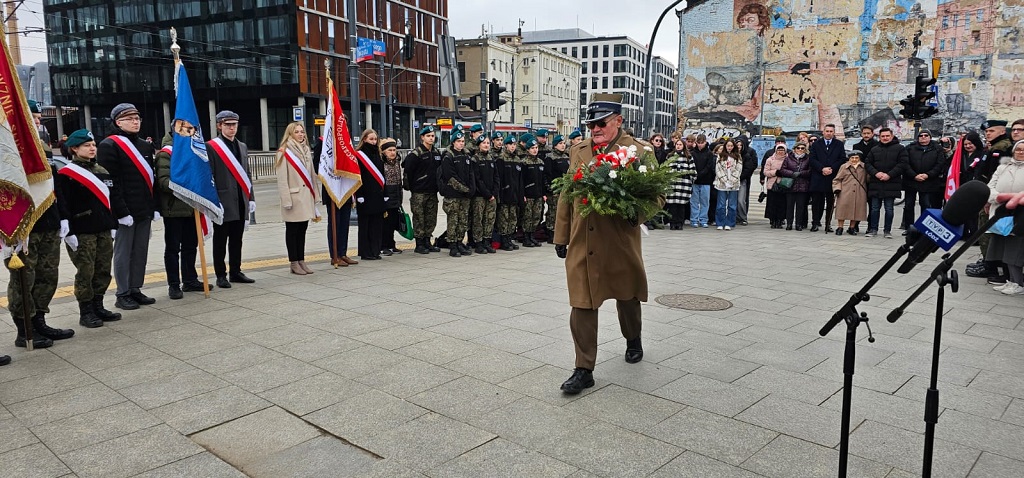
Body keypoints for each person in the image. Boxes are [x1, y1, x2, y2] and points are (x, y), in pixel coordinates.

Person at [553, 93, 655, 394]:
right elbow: (567, 194)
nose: (595, 130)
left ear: (619, 121)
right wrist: (561, 235)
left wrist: (633, 213)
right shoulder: (579, 151)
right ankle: (583, 369)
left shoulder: (638, 151)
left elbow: (655, 195)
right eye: (591, 124)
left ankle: (633, 337)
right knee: (581, 303)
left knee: (627, 296)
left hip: (619, 239)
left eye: (601, 123)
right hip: (583, 238)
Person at [56, 129, 120, 329]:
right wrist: (69, 230)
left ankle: (98, 305)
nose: (92, 148)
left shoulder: (102, 171)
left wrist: (113, 223)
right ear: (74, 149)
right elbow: (63, 203)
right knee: (86, 270)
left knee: (103, 269)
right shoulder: (67, 174)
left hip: (103, 228)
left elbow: (111, 200)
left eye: (93, 145)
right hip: (82, 230)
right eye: (87, 145)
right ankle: (86, 311)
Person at [97, 103, 159, 310]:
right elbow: (110, 183)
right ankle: (122, 292)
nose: (135, 122)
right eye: (130, 119)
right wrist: (121, 212)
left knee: (140, 251)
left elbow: (152, 179)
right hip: (125, 212)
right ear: (118, 122)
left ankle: (135, 288)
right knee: (123, 253)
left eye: (137, 118)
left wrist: (154, 206)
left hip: (143, 209)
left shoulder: (144, 145)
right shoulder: (109, 145)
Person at [155, 132, 209, 300]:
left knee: (190, 246)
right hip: (174, 209)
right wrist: (185, 184)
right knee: (172, 249)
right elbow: (163, 181)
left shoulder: (192, 151)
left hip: (191, 208)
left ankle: (190, 280)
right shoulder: (166, 153)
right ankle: (174, 285)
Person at [207, 110, 256, 288]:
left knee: (237, 238)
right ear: (219, 126)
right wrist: (213, 201)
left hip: (240, 200)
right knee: (220, 240)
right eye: (227, 125)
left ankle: (236, 271)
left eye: (234, 124)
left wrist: (250, 197)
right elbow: (209, 176)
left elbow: (247, 173)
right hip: (222, 200)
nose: (232, 128)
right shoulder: (212, 147)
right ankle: (221, 275)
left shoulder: (242, 146)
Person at [275, 122, 321, 274]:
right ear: (290, 134)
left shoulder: (306, 150)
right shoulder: (284, 151)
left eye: (302, 132)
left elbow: (312, 175)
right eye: (297, 132)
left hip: (306, 197)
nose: (301, 134)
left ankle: (301, 260)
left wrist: (315, 195)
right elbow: (282, 179)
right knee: (292, 231)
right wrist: (286, 200)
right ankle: (293, 262)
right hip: (294, 198)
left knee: (302, 230)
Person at [986, 140, 1024, 295]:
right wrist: (1000, 197)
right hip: (1001, 212)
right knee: (1002, 248)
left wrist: (1016, 199)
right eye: (1018, 149)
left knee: (1015, 250)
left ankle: (1018, 283)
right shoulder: (1002, 168)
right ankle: (1010, 280)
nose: (1021, 152)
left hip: (1020, 215)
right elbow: (990, 187)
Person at [404, 126, 443, 254]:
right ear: (422, 138)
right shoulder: (416, 154)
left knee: (431, 218)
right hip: (419, 192)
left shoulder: (436, 153)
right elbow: (408, 171)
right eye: (428, 136)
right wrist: (412, 187)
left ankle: (427, 240)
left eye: (432, 136)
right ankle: (419, 243)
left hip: (432, 191)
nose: (431, 138)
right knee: (419, 218)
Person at [863, 127, 907, 238]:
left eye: (887, 136)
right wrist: (876, 173)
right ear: (879, 137)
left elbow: (903, 164)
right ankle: (873, 229)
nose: (885, 138)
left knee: (889, 208)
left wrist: (889, 175)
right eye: (883, 136)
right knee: (874, 208)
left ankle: (887, 231)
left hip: (891, 183)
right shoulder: (874, 149)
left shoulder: (900, 149)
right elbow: (868, 163)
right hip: (876, 183)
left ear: (891, 136)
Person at [901, 129, 947, 235]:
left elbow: (939, 164)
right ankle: (908, 227)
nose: (923, 137)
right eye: (921, 135)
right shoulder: (910, 148)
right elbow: (905, 163)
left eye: (926, 135)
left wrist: (928, 175)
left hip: (929, 182)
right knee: (908, 205)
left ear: (930, 137)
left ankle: (923, 228)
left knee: (926, 205)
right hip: (911, 181)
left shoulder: (937, 149)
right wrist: (914, 175)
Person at [439, 129, 476, 256]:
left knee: (463, 220)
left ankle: (460, 242)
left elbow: (471, 173)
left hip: (465, 195)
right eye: (458, 141)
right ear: (453, 142)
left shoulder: (466, 155)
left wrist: (472, 187)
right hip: (453, 194)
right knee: (453, 220)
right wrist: (465, 189)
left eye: (463, 141)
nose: (461, 144)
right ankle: (453, 244)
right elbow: (451, 177)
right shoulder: (448, 156)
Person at [353, 129, 386, 261]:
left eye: (375, 139)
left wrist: (386, 193)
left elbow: (383, 175)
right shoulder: (359, 155)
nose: (373, 141)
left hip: (378, 195)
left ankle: (375, 250)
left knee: (377, 225)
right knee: (365, 225)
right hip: (365, 195)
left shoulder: (378, 154)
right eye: (371, 139)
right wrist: (359, 194)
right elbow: (358, 176)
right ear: (364, 139)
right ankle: (366, 252)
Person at [807, 124, 846, 232]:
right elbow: (812, 159)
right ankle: (815, 223)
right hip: (818, 177)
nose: (829, 133)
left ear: (834, 133)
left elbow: (842, 159)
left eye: (831, 131)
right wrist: (822, 168)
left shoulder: (838, 144)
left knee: (830, 203)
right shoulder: (816, 144)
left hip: (832, 177)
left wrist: (832, 168)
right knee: (816, 202)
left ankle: (828, 224)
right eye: (827, 131)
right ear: (823, 132)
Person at [470, 135, 498, 254]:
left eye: (487, 143)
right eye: (483, 143)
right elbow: (477, 179)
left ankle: (487, 241)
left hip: (491, 196)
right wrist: (487, 193)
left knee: (489, 219)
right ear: (478, 145)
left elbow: (496, 177)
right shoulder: (475, 159)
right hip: (479, 196)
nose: (486, 145)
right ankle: (479, 243)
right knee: (478, 219)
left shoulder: (491, 158)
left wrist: (494, 193)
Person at [496, 134, 524, 251]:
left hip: (514, 194)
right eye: (510, 145)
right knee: (504, 218)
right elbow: (499, 178)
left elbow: (520, 179)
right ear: (505, 146)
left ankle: (509, 238)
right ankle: (504, 240)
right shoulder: (501, 159)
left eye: (514, 145)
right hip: (504, 193)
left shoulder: (517, 160)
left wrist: (520, 194)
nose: (512, 147)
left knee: (513, 217)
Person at [832, 150, 868, 236]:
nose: (854, 160)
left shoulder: (864, 167)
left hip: (860, 192)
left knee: (856, 210)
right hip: (845, 191)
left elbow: (868, 179)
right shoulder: (844, 167)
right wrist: (837, 188)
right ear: (849, 158)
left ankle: (852, 227)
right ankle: (840, 227)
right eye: (852, 158)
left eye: (856, 158)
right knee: (842, 210)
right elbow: (837, 179)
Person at [544, 135, 571, 242]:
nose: (563, 145)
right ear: (555, 145)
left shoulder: (566, 157)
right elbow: (547, 174)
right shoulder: (550, 157)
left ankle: (561, 233)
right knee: (553, 212)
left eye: (564, 143)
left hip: (565, 189)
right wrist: (550, 188)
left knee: (563, 212)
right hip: (555, 190)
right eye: (560, 143)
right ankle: (551, 232)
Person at [779, 141, 812, 230]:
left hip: (803, 185)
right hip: (791, 185)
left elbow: (810, 171)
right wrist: (792, 173)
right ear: (794, 149)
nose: (800, 150)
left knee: (800, 207)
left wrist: (801, 173)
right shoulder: (788, 158)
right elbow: (782, 170)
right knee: (789, 206)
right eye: (798, 148)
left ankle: (799, 224)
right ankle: (789, 223)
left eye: (802, 148)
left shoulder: (808, 159)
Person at [520, 136, 546, 247]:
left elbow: (542, 179)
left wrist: (543, 193)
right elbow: (521, 180)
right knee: (527, 216)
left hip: (538, 194)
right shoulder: (524, 162)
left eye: (536, 148)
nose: (535, 150)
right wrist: (523, 194)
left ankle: (532, 236)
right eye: (532, 148)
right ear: (528, 150)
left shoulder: (540, 162)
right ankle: (526, 237)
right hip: (528, 194)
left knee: (536, 216)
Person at [380, 138, 404, 255]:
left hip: (397, 194)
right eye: (390, 150)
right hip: (387, 195)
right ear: (384, 152)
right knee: (386, 223)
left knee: (394, 222)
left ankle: (391, 244)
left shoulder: (397, 162)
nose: (393, 152)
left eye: (394, 150)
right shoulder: (381, 163)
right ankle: (383, 245)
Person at [664, 137, 696, 229]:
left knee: (681, 205)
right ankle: (673, 223)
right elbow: (665, 169)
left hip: (683, 184)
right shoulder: (670, 156)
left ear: (683, 146)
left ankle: (680, 223)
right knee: (672, 205)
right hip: (672, 183)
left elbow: (692, 170)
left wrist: (691, 179)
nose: (678, 146)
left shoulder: (688, 157)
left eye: (680, 144)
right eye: (677, 144)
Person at [714, 139, 743, 230]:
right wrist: (724, 181)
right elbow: (718, 169)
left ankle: (730, 223)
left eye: (731, 146)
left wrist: (732, 181)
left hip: (733, 184)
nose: (729, 148)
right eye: (728, 146)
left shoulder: (738, 156)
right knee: (721, 205)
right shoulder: (720, 156)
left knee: (732, 205)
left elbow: (739, 170)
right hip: (722, 184)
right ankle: (720, 222)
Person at [762, 144, 789, 228]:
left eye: (782, 150)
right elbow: (765, 172)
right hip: (772, 184)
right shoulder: (770, 159)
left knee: (782, 203)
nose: (780, 152)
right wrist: (775, 172)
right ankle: (772, 220)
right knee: (772, 203)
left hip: (783, 184)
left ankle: (780, 220)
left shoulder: (788, 159)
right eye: (779, 150)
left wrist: (784, 173)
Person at [690, 134, 714, 227]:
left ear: (705, 142)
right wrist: (695, 174)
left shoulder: (709, 153)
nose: (700, 145)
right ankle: (694, 219)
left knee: (705, 202)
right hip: (695, 181)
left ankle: (703, 219)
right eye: (698, 143)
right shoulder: (692, 153)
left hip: (706, 181)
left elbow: (709, 166)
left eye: (702, 143)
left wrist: (700, 174)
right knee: (694, 202)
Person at [735, 136, 758, 226]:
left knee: (742, 199)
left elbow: (752, 165)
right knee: (734, 200)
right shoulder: (732, 154)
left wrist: (743, 176)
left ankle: (743, 217)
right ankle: (735, 217)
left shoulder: (749, 153)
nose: (739, 146)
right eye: (737, 144)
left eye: (741, 144)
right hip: (732, 180)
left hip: (743, 179)